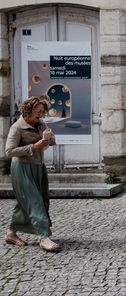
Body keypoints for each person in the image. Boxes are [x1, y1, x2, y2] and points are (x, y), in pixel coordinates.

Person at [4, 95, 60, 252]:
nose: (41, 115)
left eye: (43, 112)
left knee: (31, 201)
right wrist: (34, 147)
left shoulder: (40, 124)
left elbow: (51, 139)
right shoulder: (17, 127)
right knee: (35, 202)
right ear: (28, 111)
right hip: (22, 168)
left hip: (38, 167)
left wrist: (49, 139)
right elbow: (9, 151)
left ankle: (11, 233)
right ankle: (44, 237)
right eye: (38, 112)